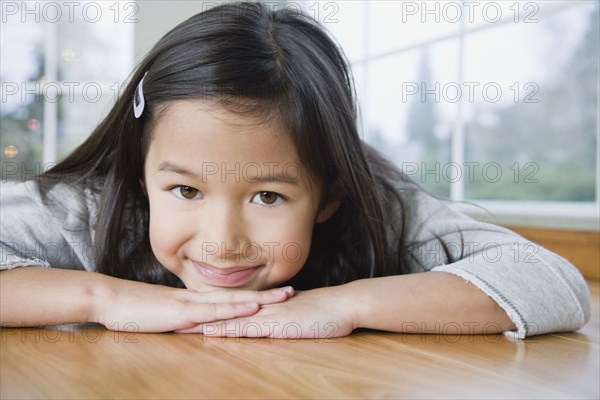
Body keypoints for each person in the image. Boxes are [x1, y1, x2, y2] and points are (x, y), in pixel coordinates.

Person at [0, 2, 590, 339]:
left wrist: (342, 306)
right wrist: (102, 298)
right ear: (137, 177)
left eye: (268, 198)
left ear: (328, 193)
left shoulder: (378, 206)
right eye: (184, 189)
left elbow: (552, 283)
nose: (223, 242)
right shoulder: (91, 207)